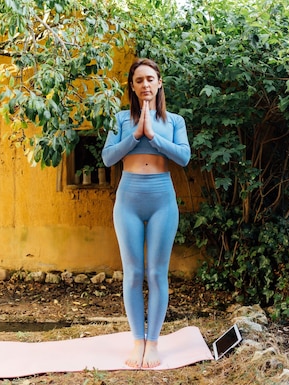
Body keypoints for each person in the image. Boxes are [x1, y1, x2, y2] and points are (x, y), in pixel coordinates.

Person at [102, 58, 191, 369]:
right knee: (133, 274)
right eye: (139, 80)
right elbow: (108, 157)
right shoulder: (120, 119)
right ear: (132, 86)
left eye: (150, 79)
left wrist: (153, 136)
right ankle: (137, 341)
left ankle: (152, 342)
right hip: (128, 198)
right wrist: (135, 134)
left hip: (162, 200)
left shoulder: (175, 120)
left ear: (159, 82)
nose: (145, 85)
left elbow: (184, 156)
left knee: (156, 274)